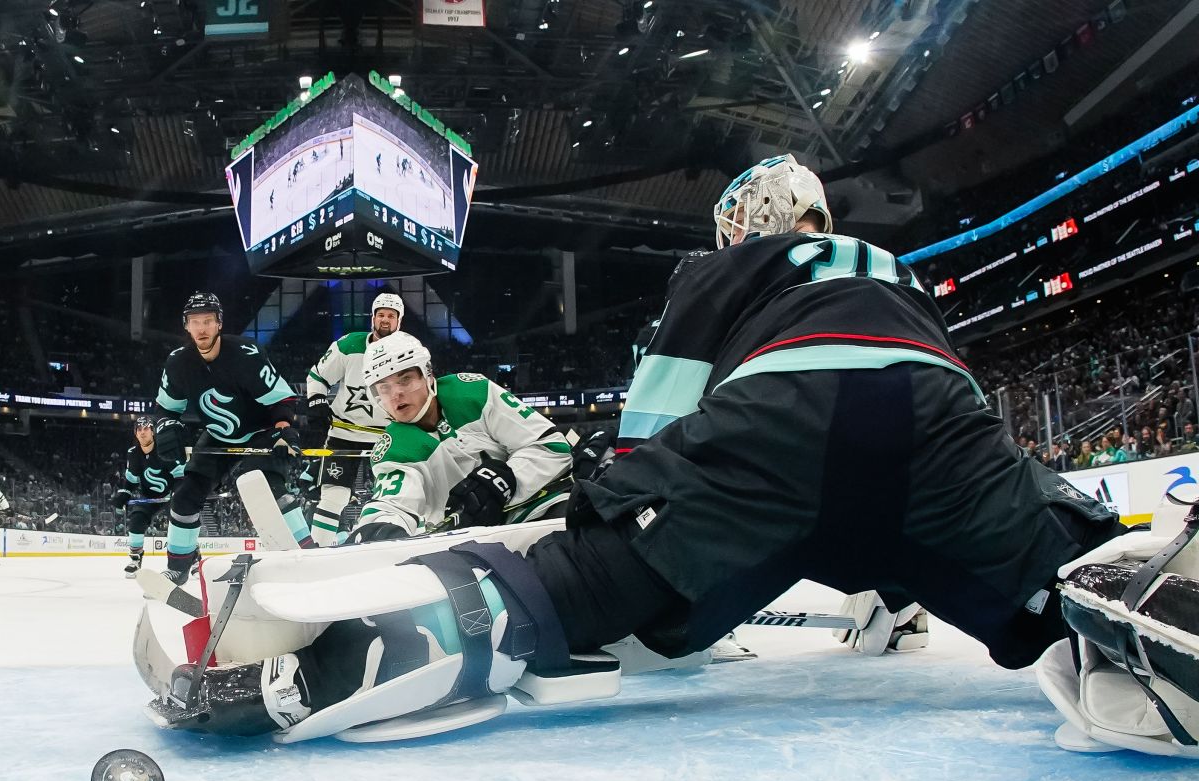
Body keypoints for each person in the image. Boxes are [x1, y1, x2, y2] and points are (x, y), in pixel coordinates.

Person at [144, 155, 1126, 750]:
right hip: (938, 440)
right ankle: (1139, 626)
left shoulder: (726, 265)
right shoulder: (894, 275)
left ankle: (314, 672)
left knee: (561, 593)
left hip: (766, 447)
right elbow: (921, 407)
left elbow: (649, 439)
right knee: (1073, 582)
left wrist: (615, 530)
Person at [345, 331, 573, 544]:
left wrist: (502, 482)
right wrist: (377, 530)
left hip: (536, 512)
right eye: (384, 388)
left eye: (405, 379)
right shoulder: (393, 449)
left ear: (428, 375)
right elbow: (391, 507)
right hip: (468, 544)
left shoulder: (474, 392)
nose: (396, 394)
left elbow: (551, 447)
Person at [152, 292, 312, 585]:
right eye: (195, 322)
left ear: (219, 324)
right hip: (217, 435)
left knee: (267, 487)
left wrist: (283, 431)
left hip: (261, 431)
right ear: (186, 326)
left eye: (208, 321)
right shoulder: (177, 363)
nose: (201, 328)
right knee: (185, 495)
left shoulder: (246, 354)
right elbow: (165, 408)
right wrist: (165, 426)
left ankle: (307, 552)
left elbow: (282, 398)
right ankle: (177, 568)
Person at [302, 293, 401, 545]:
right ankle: (318, 551)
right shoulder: (349, 345)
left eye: (391, 315)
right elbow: (317, 377)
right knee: (333, 496)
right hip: (342, 433)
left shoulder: (408, 350)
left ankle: (393, 547)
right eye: (381, 315)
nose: (385, 320)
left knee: (396, 496)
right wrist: (317, 401)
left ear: (399, 320)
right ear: (373, 318)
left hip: (388, 436)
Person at [112, 416, 180, 578]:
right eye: (139, 429)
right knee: (136, 520)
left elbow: (179, 475)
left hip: (171, 495)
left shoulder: (165, 450)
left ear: (153, 431)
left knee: (180, 524)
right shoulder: (133, 453)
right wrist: (123, 494)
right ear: (135, 433)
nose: (142, 432)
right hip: (148, 497)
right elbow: (131, 480)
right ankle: (135, 559)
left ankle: (192, 558)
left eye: (146, 428)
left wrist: (179, 492)